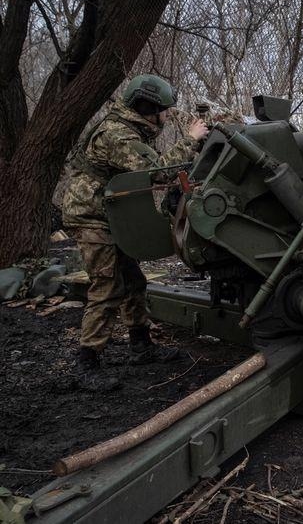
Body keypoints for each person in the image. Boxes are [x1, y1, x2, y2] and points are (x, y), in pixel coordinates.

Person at [62, 74, 208, 390]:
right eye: (165, 110)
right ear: (147, 107)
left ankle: (141, 346)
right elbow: (157, 171)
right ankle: (86, 363)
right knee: (108, 287)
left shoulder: (129, 129)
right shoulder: (116, 135)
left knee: (134, 282)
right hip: (93, 218)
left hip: (111, 216)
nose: (168, 116)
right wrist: (190, 139)